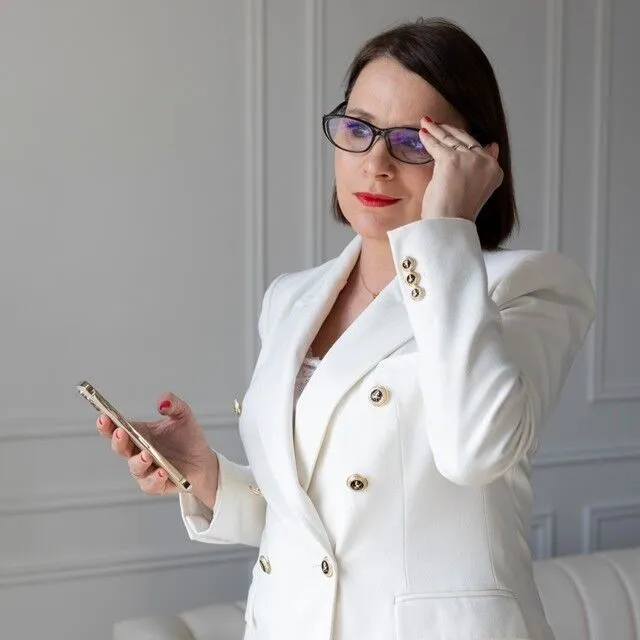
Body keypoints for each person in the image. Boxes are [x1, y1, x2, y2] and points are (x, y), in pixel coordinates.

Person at [97, 17, 595, 640]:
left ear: (476, 161)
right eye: (358, 130)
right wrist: (204, 473)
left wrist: (446, 234)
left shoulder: (528, 288)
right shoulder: (290, 299)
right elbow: (317, 526)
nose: (376, 164)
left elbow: (475, 451)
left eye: (414, 141)